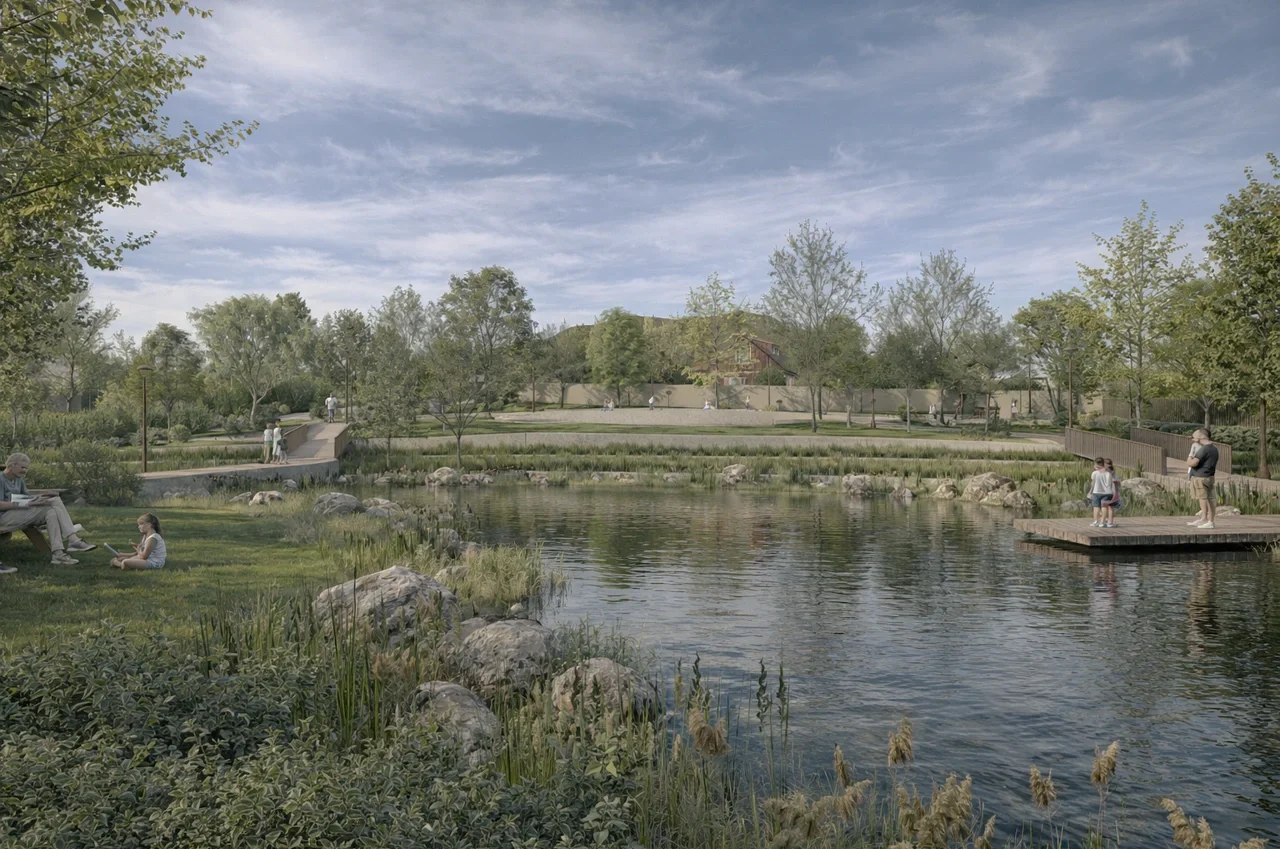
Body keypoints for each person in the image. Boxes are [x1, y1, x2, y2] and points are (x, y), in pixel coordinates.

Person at [0, 452, 96, 567]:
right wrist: (26, 504)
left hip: (18, 514)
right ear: (11, 465)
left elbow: (25, 497)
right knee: (54, 502)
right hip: (3, 517)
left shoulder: (18, 479)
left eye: (26, 468)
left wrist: (41, 497)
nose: (25, 471)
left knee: (51, 512)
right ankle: (73, 540)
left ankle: (58, 554)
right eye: (22, 467)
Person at [1187, 428, 1219, 529]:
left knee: (1204, 498)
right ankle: (1206, 519)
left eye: (1194, 436)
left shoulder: (1204, 449)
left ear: (1201, 436)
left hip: (1201, 477)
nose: (1193, 438)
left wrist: (1189, 458)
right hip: (1209, 476)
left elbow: (1193, 463)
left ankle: (1209, 521)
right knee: (1208, 498)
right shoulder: (1214, 448)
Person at [1089, 456, 1116, 528]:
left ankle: (1096, 521)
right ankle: (1102, 522)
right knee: (1104, 507)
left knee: (1096, 507)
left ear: (1096, 464)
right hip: (1107, 493)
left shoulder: (1094, 473)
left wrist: (1090, 491)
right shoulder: (1108, 473)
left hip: (1097, 492)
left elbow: (1093, 483)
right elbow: (1108, 484)